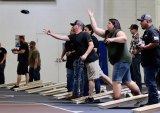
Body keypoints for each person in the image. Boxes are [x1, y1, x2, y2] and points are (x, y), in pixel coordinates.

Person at [43, 20, 112, 103]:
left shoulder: (85, 34)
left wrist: (85, 55)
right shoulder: (73, 36)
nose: (72, 27)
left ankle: (90, 97)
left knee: (91, 78)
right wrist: (51, 34)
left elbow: (91, 45)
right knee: (101, 75)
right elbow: (62, 37)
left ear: (79, 26)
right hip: (87, 60)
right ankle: (116, 87)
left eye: (74, 25)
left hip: (91, 59)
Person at [88, 10, 141, 100]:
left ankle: (116, 98)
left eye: (109, 23)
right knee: (127, 80)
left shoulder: (118, 31)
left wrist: (112, 40)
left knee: (116, 81)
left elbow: (124, 38)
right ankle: (139, 94)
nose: (107, 24)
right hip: (123, 60)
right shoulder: (107, 33)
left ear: (114, 25)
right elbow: (96, 29)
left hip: (121, 60)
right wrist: (91, 17)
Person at [137, 14, 160, 105]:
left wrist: (144, 47)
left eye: (142, 21)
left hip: (152, 61)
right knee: (149, 81)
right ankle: (152, 100)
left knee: (150, 81)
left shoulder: (152, 30)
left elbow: (155, 42)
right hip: (149, 61)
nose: (140, 23)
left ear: (148, 21)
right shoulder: (147, 31)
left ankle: (154, 101)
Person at [84, 24, 101, 94]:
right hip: (87, 60)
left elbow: (95, 50)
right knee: (87, 77)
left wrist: (86, 52)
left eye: (86, 30)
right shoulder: (85, 38)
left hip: (93, 60)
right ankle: (86, 93)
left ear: (90, 31)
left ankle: (97, 93)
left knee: (96, 78)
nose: (84, 31)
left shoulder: (94, 39)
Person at [60, 28, 75, 92]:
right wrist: (62, 56)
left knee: (76, 77)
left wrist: (70, 53)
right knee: (69, 76)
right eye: (70, 30)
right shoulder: (68, 40)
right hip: (69, 61)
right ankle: (69, 90)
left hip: (76, 61)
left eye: (72, 30)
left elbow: (80, 49)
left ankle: (75, 91)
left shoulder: (78, 39)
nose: (70, 31)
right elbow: (65, 48)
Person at [129, 24, 142, 92]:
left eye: (131, 29)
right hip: (133, 56)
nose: (130, 30)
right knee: (133, 73)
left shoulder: (137, 36)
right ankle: (134, 89)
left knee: (136, 73)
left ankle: (138, 89)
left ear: (135, 29)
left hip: (136, 56)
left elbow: (140, 47)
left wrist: (134, 53)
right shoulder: (134, 36)